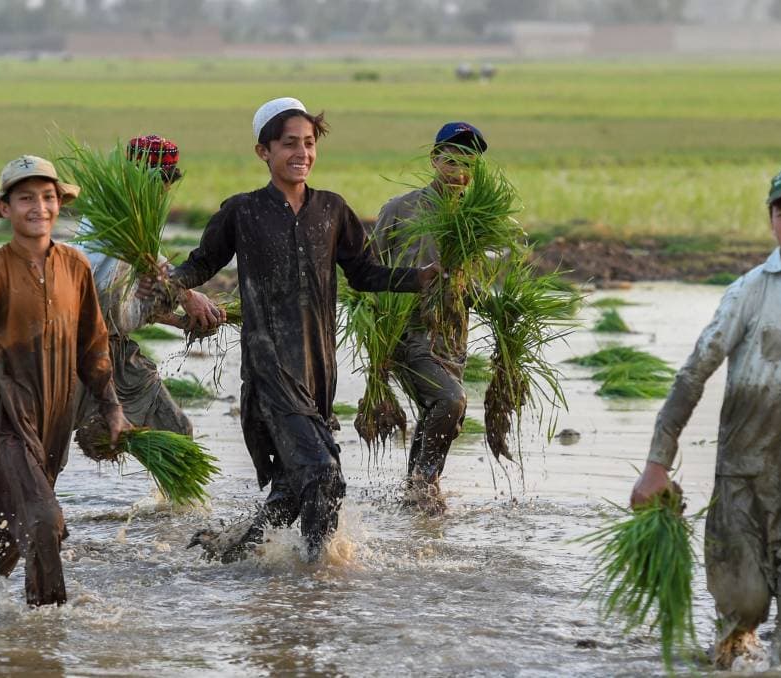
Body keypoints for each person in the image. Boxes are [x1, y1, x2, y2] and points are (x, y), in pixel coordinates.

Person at [147, 97, 436, 562]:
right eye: (289, 144)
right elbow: (200, 264)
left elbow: (363, 274)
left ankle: (230, 554)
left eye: (308, 143)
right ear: (264, 152)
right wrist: (165, 284)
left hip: (319, 369)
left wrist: (417, 278)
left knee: (291, 491)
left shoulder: (333, 211)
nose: (301, 153)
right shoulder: (242, 212)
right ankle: (315, 577)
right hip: (270, 370)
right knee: (324, 473)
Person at [630, 160, 781, 667]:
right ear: (771, 221)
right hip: (745, 485)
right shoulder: (748, 292)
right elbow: (692, 375)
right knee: (744, 613)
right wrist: (656, 463)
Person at [0, 155, 130, 607]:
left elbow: (94, 346)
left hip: (53, 417)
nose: (39, 207)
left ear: (59, 205)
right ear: (5, 209)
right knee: (43, 521)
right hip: (1, 418)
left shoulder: (75, 267)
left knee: (11, 532)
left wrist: (112, 409)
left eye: (48, 197)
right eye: (26, 198)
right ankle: (46, 632)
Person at [370, 121, 488, 514]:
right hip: (408, 332)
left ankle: (414, 495)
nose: (458, 168)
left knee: (444, 414)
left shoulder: (477, 221)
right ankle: (425, 486)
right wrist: (375, 345)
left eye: (468, 160)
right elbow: (367, 271)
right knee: (450, 401)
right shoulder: (400, 209)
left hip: (453, 335)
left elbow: (475, 282)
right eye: (451, 158)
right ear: (435, 159)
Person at [72, 135, 225, 438]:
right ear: (134, 179)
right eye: (155, 184)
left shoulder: (140, 223)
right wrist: (189, 296)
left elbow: (133, 301)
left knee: (177, 432)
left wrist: (183, 321)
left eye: (165, 186)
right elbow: (145, 276)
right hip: (76, 352)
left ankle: (169, 488)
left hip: (116, 350)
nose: (161, 193)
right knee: (48, 449)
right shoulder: (115, 221)